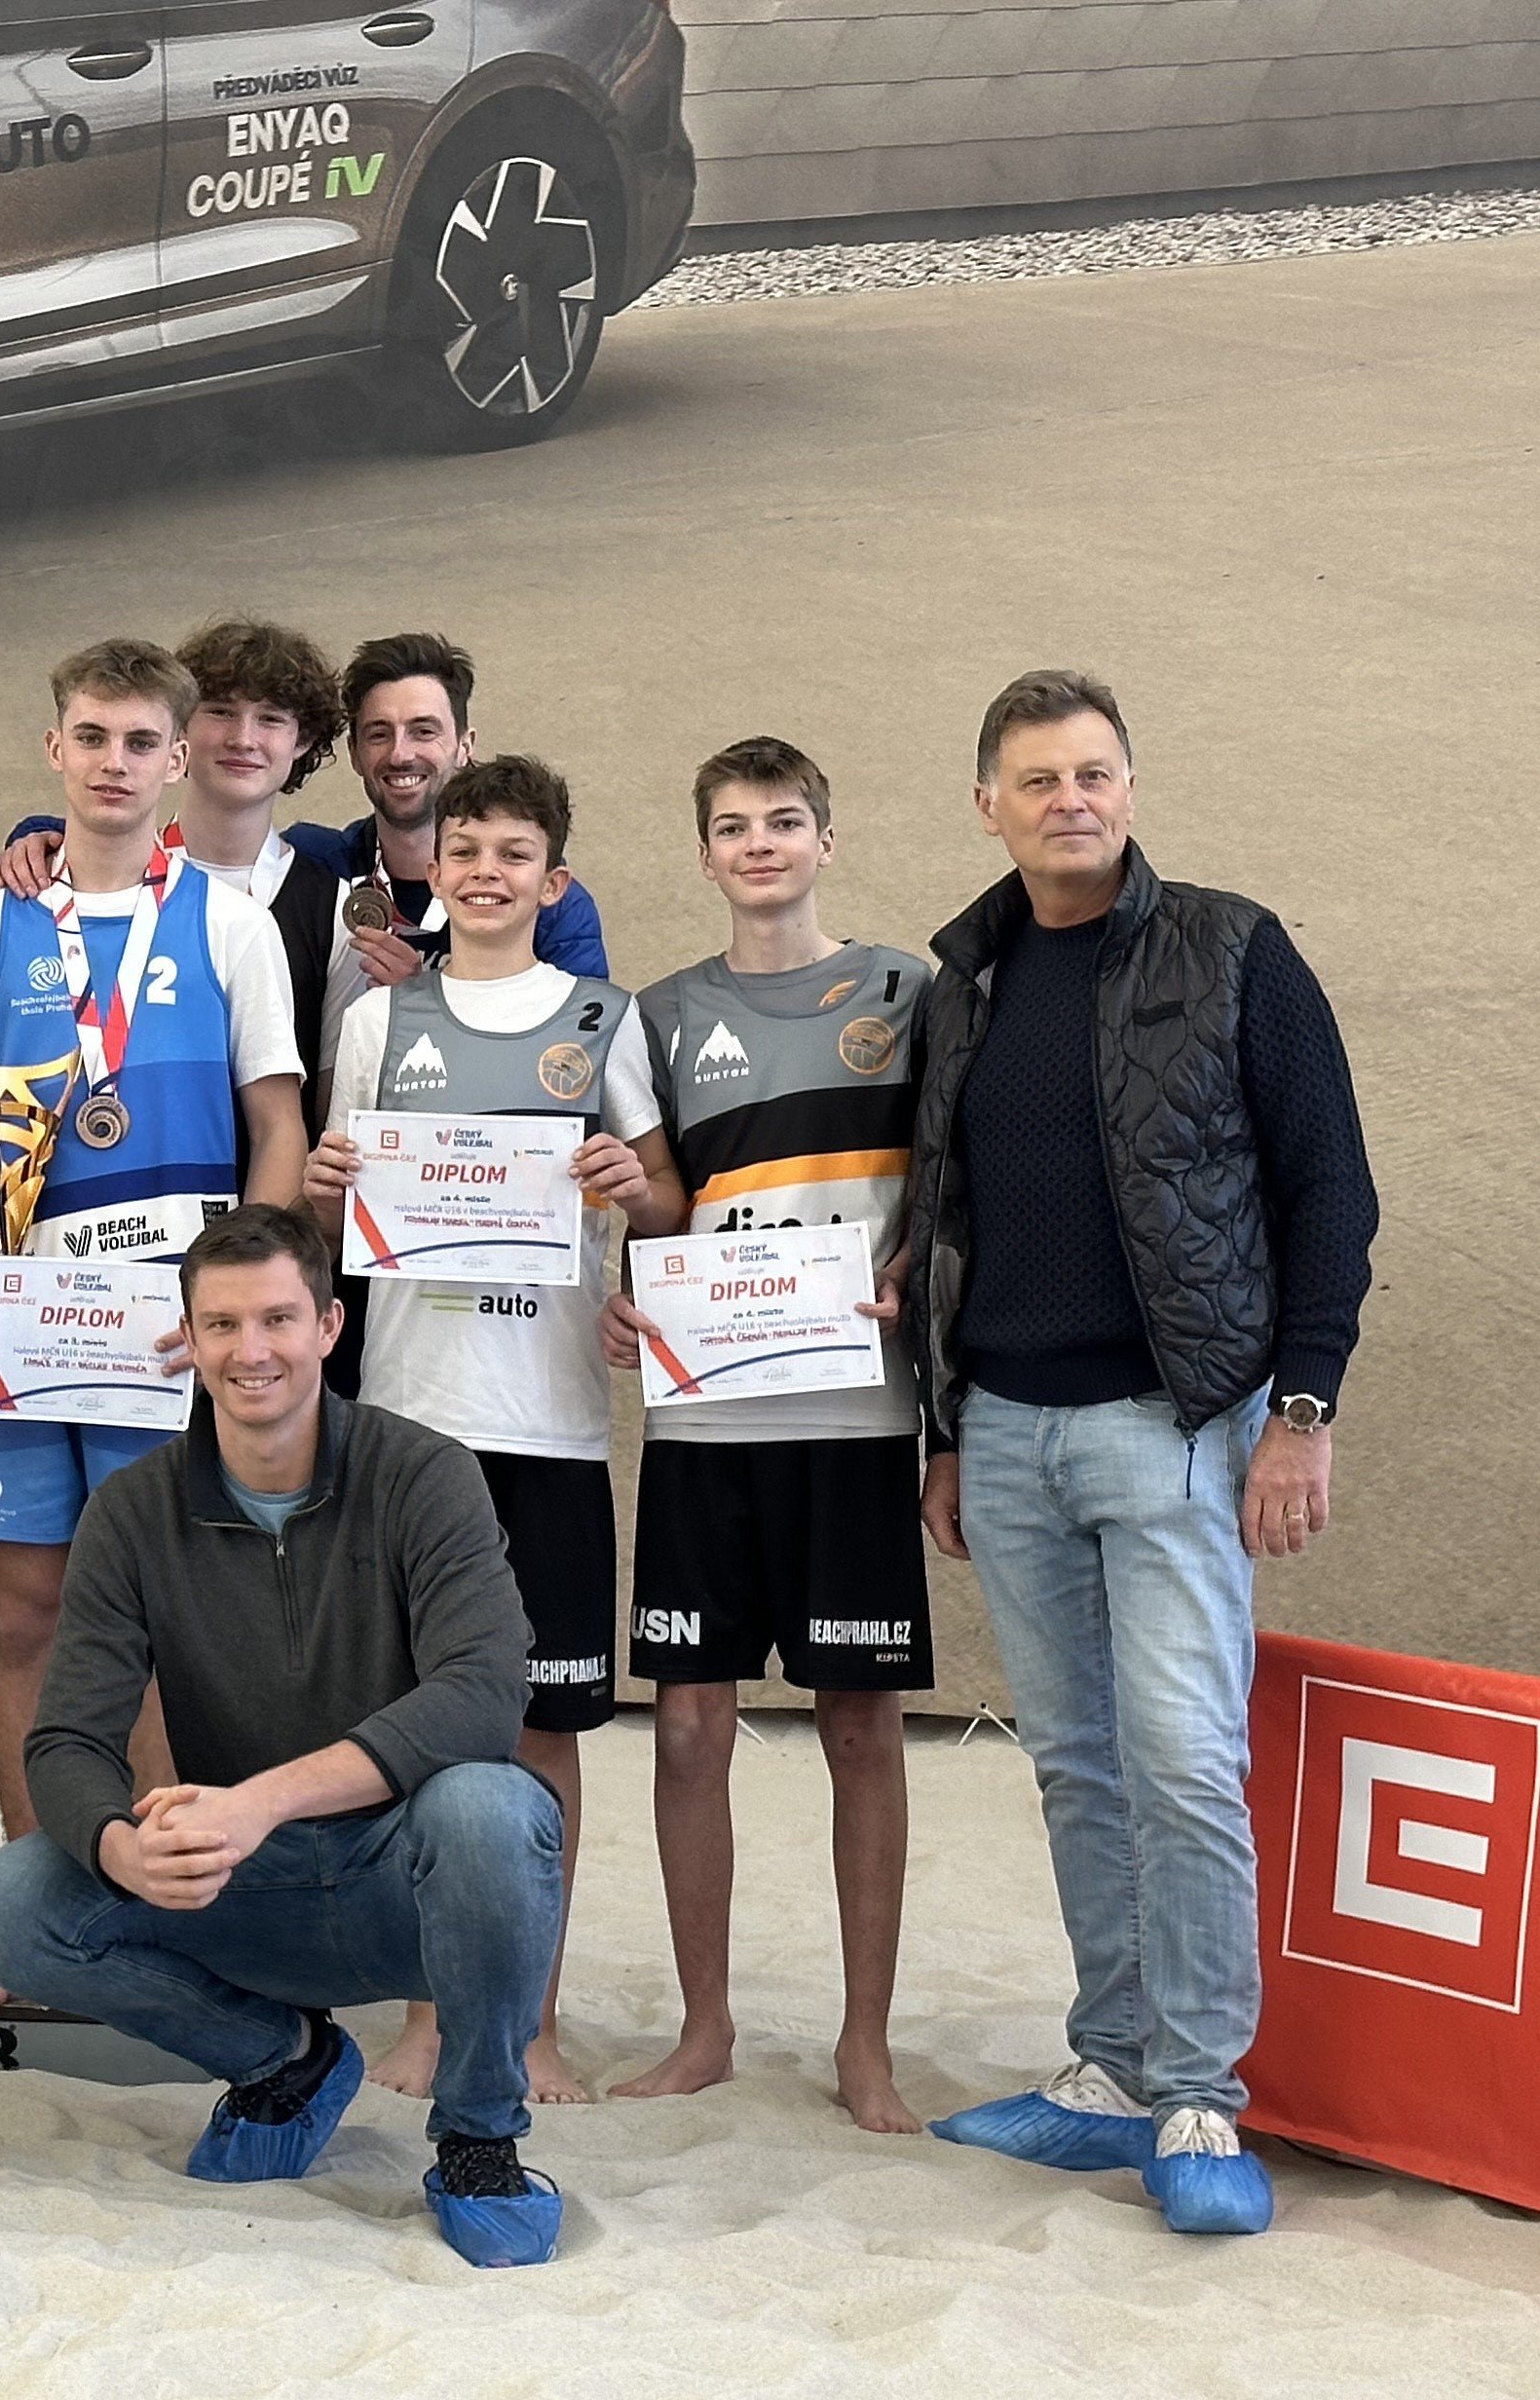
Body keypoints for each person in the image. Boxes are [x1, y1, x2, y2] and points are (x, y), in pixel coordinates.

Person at [907, 669, 1378, 2236]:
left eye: (1094, 773)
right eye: (1039, 780)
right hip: (1007, 1433)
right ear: (989, 804)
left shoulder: (1233, 949)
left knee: (1182, 1762)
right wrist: (946, 1432)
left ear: (1130, 786)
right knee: (1075, 1765)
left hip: (1176, 1429)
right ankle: (1110, 2069)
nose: (1071, 801)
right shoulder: (964, 978)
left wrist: (1301, 1409)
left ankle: (1197, 2096)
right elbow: (945, 1220)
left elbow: (1329, 1187)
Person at [0, 1205, 570, 2269]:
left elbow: (483, 1695)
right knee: (8, 1905)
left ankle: (478, 2138)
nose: (253, 1351)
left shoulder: (426, 1474)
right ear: (188, 1341)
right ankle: (285, 2058)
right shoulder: (132, 1512)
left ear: (329, 1326)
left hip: (405, 1880)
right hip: (242, 1888)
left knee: (493, 1805)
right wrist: (119, 1846)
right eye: (224, 1325)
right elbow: (66, 1742)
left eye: (279, 1319)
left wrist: (261, 1800)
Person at [298, 754, 679, 2105]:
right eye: (464, 850)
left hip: (553, 1424)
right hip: (410, 1421)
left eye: (513, 853)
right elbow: (335, 1213)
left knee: (543, 1730)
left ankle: (533, 2020)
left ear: (552, 880)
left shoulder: (604, 1018)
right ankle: (424, 2014)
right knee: (414, 1725)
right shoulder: (376, 1023)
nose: (484, 871)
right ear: (436, 868)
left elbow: (666, 1201)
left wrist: (634, 1181)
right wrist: (325, 1183)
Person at [0, 638, 307, 1905]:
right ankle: (41, 1902)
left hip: (166, 1338)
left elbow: (280, 1129)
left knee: (164, 1628)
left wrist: (237, 1310)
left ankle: (167, 1901)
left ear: (177, 759)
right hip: (23, 1327)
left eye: (140, 742)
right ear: (55, 749)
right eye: (91, 736)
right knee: (27, 1616)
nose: (114, 762)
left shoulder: (232, 924)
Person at [593, 738, 926, 2133]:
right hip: (708, 1415)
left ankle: (866, 2042)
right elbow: (659, 1204)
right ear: (706, 853)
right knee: (686, 1727)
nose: (760, 845)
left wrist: (917, 1268)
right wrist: (627, 1284)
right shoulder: (657, 1015)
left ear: (825, 840)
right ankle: (706, 2028)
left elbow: (950, 1178)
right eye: (733, 827)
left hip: (856, 1413)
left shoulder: (909, 993)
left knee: (860, 1724)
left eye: (784, 821)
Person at [0, 616, 357, 1121]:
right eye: (221, 712)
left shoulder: (333, 907)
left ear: (303, 739)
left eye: (271, 719)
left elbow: (331, 1107)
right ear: (178, 732)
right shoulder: (58, 877)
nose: (243, 738)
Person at [292, 634, 611, 1020]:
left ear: (464, 745)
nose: (400, 754)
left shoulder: (545, 902)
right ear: (355, 754)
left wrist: (426, 1001)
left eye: (423, 731)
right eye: (379, 734)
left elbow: (579, 1045)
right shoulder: (315, 867)